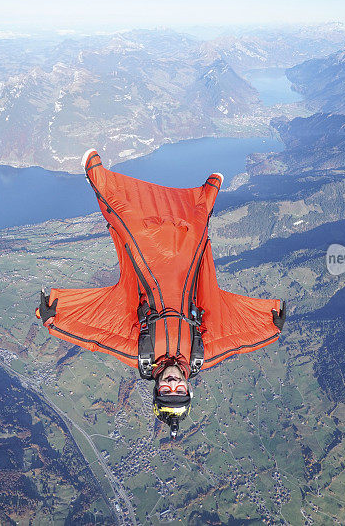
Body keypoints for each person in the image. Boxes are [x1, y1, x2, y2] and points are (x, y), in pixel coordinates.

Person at [37, 149, 286, 438]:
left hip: (149, 264)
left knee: (129, 223)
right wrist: (271, 326)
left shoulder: (140, 352)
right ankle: (205, 197)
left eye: (166, 390)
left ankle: (97, 175)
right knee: (195, 227)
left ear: (156, 389)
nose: (172, 384)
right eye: (179, 390)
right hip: (185, 267)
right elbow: (237, 340)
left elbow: (98, 336)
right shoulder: (199, 353)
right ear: (188, 388)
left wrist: (56, 318)